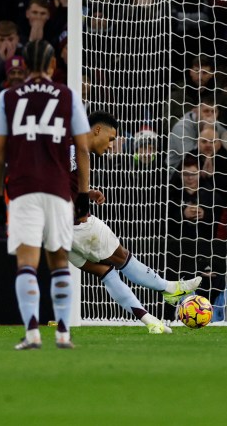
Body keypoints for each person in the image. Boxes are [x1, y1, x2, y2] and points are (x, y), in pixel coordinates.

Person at [0, 40, 90, 351]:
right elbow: (84, 148)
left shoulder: (7, 98)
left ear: (24, 67)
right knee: (59, 260)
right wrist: (83, 193)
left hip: (22, 189)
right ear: (50, 66)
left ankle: (32, 333)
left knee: (26, 263)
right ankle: (62, 333)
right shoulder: (67, 96)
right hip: (59, 190)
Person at [63, 111, 202, 334]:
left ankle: (150, 321)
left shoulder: (68, 148)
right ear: (97, 130)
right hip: (77, 226)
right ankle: (169, 288)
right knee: (122, 258)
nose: (110, 145)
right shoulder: (77, 150)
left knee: (104, 271)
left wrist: (85, 192)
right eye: (110, 138)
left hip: (55, 234)